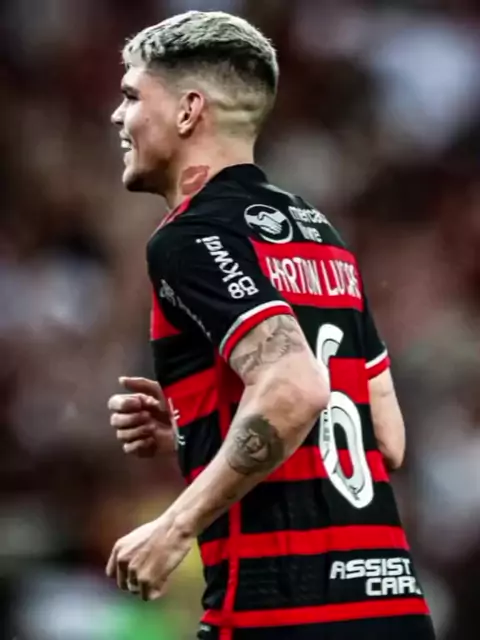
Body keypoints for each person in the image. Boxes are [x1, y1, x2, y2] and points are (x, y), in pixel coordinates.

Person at [106, 10, 436, 640]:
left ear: (188, 111)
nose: (118, 116)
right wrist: (202, 431)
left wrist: (173, 526)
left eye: (131, 95)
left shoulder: (191, 237)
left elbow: (295, 388)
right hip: (391, 605)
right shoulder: (322, 236)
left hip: (281, 609)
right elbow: (383, 436)